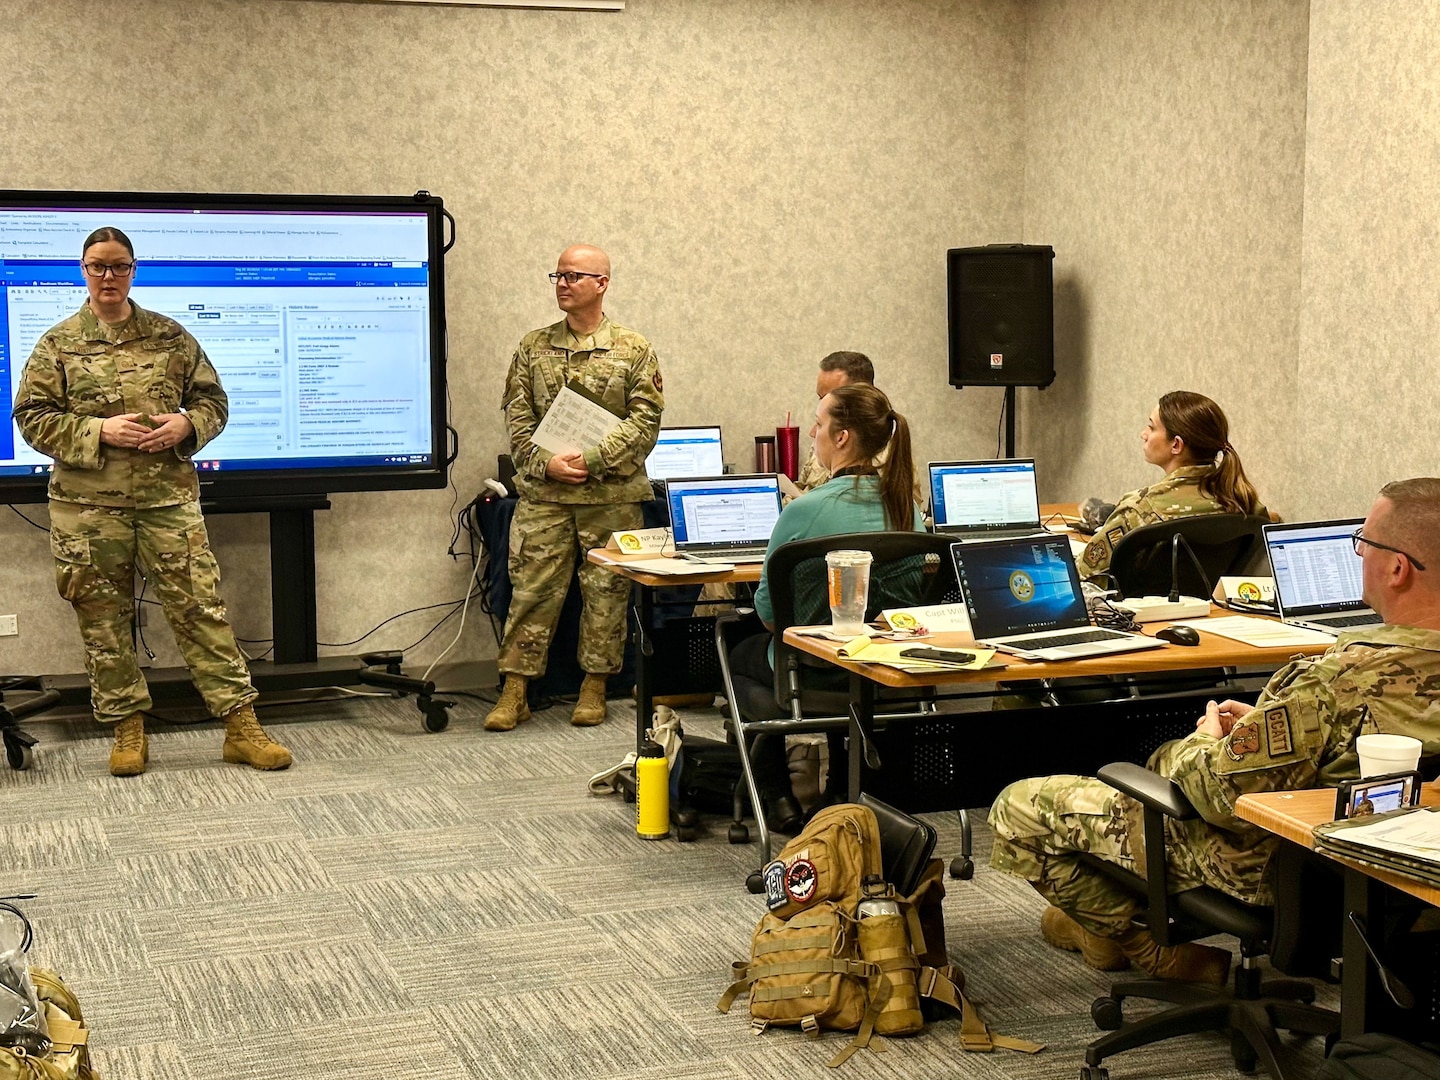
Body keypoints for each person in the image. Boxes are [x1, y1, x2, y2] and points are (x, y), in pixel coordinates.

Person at [989, 478, 1440, 983]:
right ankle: (1102, 930)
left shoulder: (1333, 683)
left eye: (1364, 541)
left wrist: (1207, 736)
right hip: (1409, 882)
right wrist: (1265, 728)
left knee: (1019, 807)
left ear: (1397, 568)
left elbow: (1215, 798)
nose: (1357, 553)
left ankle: (1153, 951)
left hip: (1277, 871)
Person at [13, 227, 292, 777]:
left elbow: (213, 400)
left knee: (200, 610)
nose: (108, 277)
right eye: (97, 267)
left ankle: (241, 726)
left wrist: (186, 425)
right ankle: (127, 730)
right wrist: (98, 431)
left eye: (118, 267)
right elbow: (32, 418)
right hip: (89, 509)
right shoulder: (58, 342)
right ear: (83, 270)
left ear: (133, 269)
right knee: (103, 620)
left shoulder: (170, 336)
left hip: (167, 502)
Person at [729, 384, 924, 830]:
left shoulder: (805, 511)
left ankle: (775, 796)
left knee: (736, 648)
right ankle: (841, 786)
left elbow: (770, 615)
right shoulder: (906, 508)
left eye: (818, 424)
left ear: (842, 437)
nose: (812, 433)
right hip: (885, 669)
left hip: (815, 671)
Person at [485, 245, 663, 732]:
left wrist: (593, 458)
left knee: (607, 594)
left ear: (602, 283)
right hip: (546, 496)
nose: (562, 283)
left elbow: (646, 422)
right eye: (557, 275)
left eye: (574, 276)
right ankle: (515, 689)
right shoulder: (532, 346)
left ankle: (595, 686)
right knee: (531, 592)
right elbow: (517, 419)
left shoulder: (633, 348)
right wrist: (546, 464)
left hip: (610, 497)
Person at [1080, 391, 1267, 582]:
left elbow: (1084, 575)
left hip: (1143, 611)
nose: (1143, 434)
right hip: (1217, 611)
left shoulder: (1140, 510)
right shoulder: (1245, 503)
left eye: (1151, 428)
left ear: (1176, 445)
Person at [792, 351, 875, 494]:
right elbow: (801, 488)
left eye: (828, 398)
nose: (822, 405)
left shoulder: (883, 453)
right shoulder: (825, 436)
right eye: (820, 397)